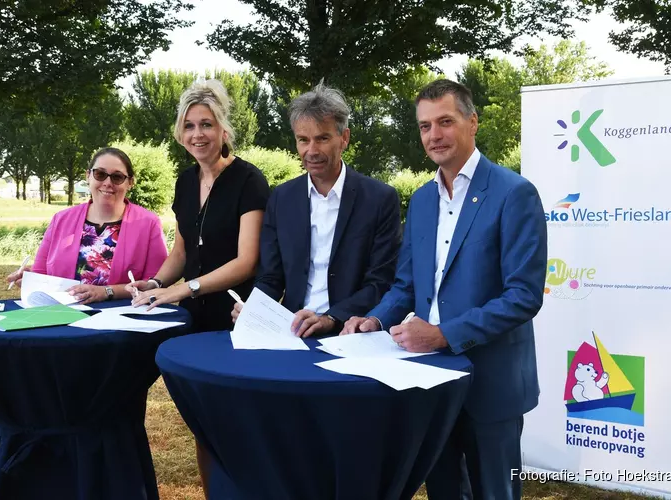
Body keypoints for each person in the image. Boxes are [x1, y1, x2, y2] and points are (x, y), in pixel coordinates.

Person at [341, 79, 547, 500]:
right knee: (444, 491)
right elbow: (407, 285)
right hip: (429, 379)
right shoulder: (420, 201)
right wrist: (376, 318)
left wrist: (443, 334)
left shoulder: (514, 193)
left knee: (496, 493)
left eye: (445, 122)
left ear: (473, 122)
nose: (433, 135)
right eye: (424, 126)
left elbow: (523, 295)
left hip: (491, 383)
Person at [231, 82, 401, 338]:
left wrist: (331, 318)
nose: (311, 151)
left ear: (344, 138)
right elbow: (271, 277)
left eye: (322, 138)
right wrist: (253, 308)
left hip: (351, 332)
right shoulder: (281, 198)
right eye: (303, 140)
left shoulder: (380, 199)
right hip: (291, 331)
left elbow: (380, 282)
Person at [128, 79, 270, 332]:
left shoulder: (249, 180)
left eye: (206, 125)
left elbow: (247, 262)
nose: (197, 134)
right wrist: (155, 283)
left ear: (223, 131)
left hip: (236, 314)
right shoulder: (185, 182)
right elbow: (181, 254)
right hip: (190, 314)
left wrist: (185, 287)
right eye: (189, 126)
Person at [5, 147, 168, 304]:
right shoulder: (60, 220)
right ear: (88, 176)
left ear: (130, 182)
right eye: (100, 174)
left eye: (117, 177)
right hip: (62, 314)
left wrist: (107, 292)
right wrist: (30, 279)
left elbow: (155, 283)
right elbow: (41, 273)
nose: (107, 182)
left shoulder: (148, 223)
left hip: (121, 316)